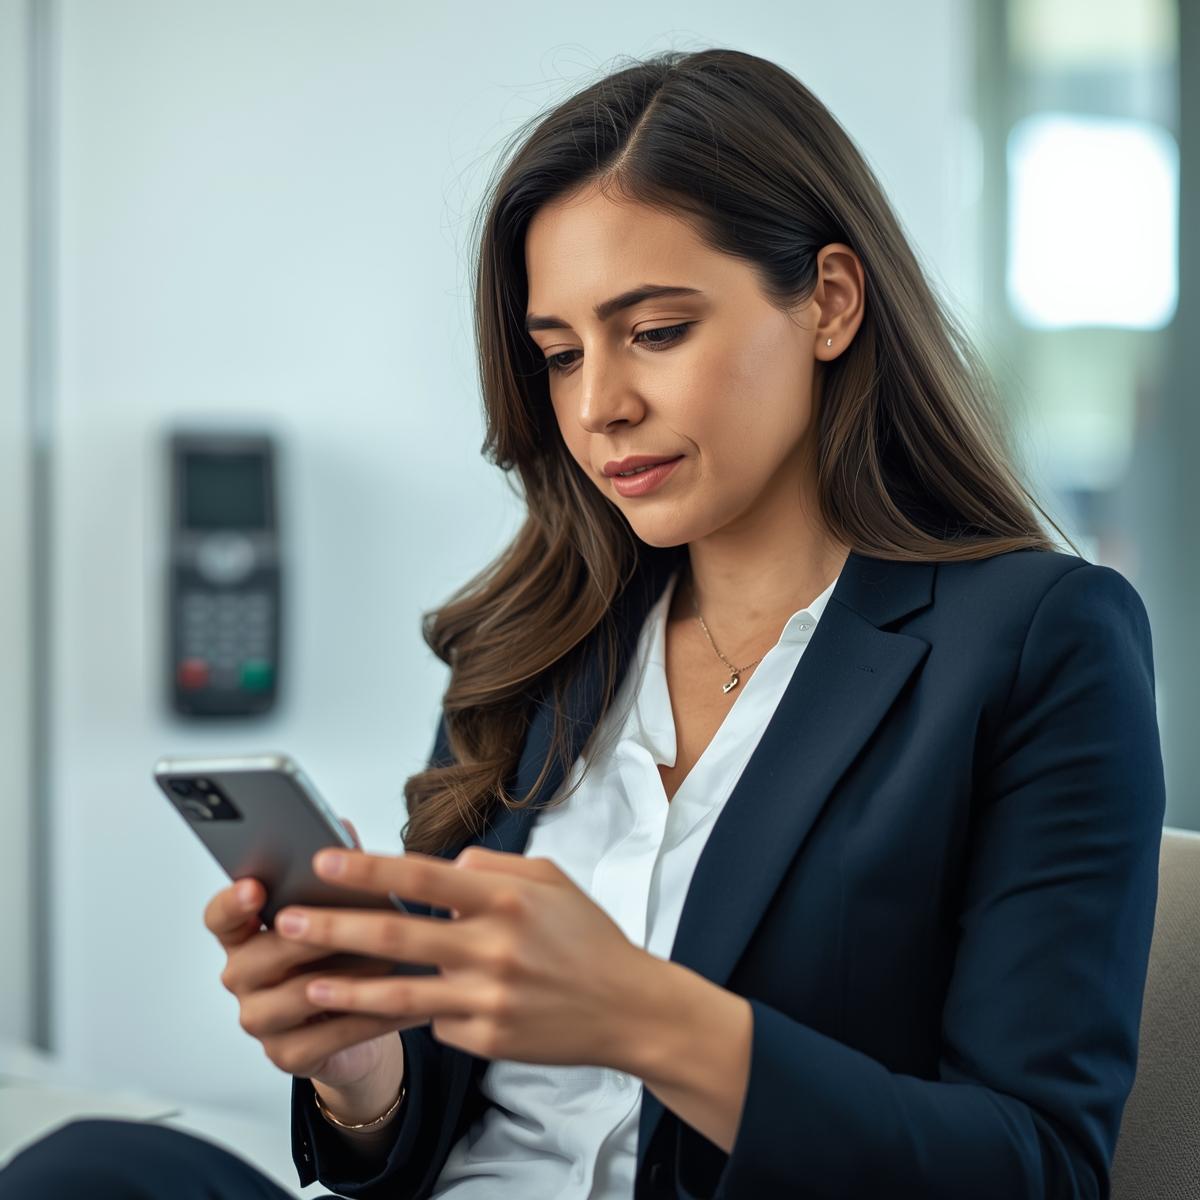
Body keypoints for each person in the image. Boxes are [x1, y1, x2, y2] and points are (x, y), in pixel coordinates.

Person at [0, 46, 1165, 1200]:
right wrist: (363, 1071)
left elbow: (1038, 1169)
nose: (599, 404)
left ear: (829, 302)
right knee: (90, 1168)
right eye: (560, 355)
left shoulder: (1036, 641)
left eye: (655, 332)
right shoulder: (539, 641)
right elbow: (424, 1134)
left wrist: (648, 1017)